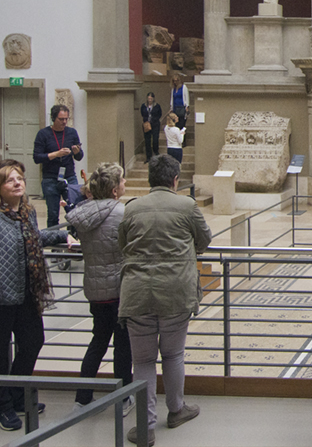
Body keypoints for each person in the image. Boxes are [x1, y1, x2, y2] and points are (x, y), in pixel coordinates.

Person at [119, 154, 212, 446]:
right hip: (176, 292)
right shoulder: (187, 205)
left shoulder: (132, 207)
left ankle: (144, 427)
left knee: (142, 361)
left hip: (137, 293)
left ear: (150, 180)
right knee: (173, 355)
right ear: (175, 180)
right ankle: (176, 410)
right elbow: (205, 239)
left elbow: (123, 244)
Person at [0, 160, 74, 432]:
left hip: (26, 291)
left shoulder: (27, 212)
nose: (18, 183)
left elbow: (34, 239)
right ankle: (2, 407)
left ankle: (16, 394)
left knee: (33, 341)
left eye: (20, 178)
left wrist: (62, 236)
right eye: (10, 180)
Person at [66, 163, 133, 412]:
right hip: (119, 289)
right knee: (123, 346)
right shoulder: (122, 213)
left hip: (95, 290)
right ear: (114, 190)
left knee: (98, 342)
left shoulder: (84, 212)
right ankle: (124, 397)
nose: (125, 184)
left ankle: (82, 397)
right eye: (122, 181)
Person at [33, 103, 84, 228]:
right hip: (50, 178)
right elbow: (37, 158)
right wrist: (56, 154)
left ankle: (73, 236)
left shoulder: (72, 132)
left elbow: (79, 157)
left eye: (66, 119)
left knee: (74, 211)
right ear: (53, 118)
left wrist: (77, 152)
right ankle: (53, 238)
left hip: (69, 176)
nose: (64, 122)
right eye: (61, 119)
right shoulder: (43, 134)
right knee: (53, 213)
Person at [140, 93, 163, 161]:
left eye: (151, 98)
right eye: (148, 98)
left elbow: (160, 114)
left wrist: (154, 119)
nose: (149, 100)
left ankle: (156, 152)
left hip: (155, 124)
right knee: (147, 140)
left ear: (153, 98)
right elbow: (142, 113)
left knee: (155, 139)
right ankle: (148, 156)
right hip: (147, 124)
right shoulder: (144, 106)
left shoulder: (157, 106)